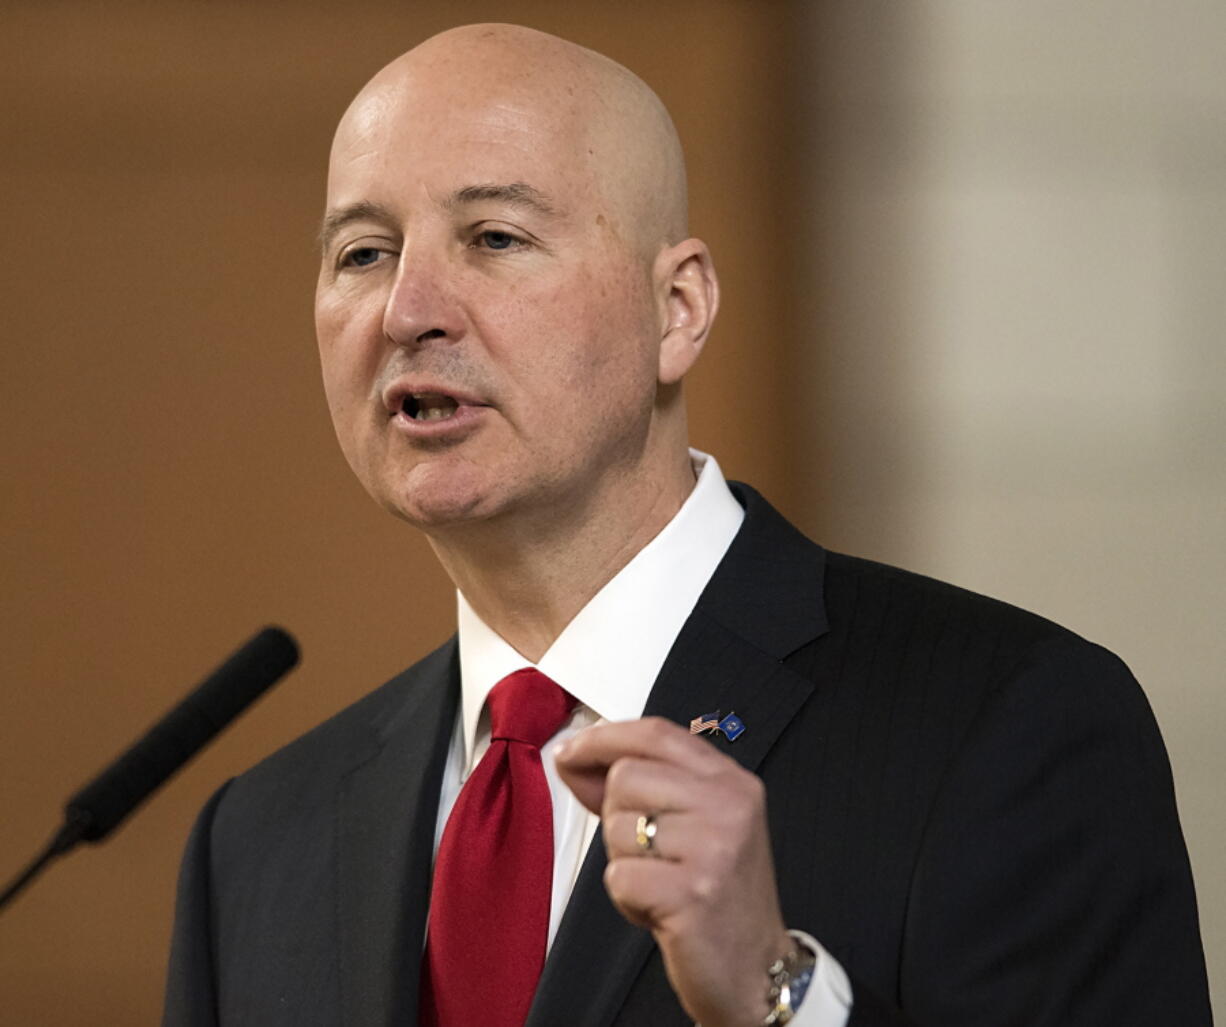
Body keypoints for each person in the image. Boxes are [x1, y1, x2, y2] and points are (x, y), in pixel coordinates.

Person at [162, 22, 1212, 1027]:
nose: (407, 309)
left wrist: (779, 993)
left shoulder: (1009, 723)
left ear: (677, 310)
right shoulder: (259, 841)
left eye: (493, 236)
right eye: (361, 253)